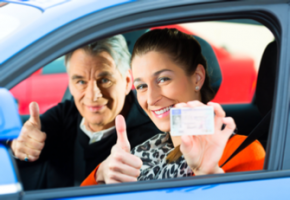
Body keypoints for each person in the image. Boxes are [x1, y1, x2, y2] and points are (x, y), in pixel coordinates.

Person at [81, 29, 265, 185]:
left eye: (163, 79)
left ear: (197, 78)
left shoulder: (242, 152)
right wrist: (102, 173)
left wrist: (206, 175)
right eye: (142, 86)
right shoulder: (140, 154)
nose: (151, 99)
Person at [9, 35, 160, 189]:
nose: (93, 95)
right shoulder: (64, 116)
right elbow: (25, 154)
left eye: (105, 80)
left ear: (127, 81)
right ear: (71, 84)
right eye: (81, 82)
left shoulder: (155, 129)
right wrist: (19, 147)